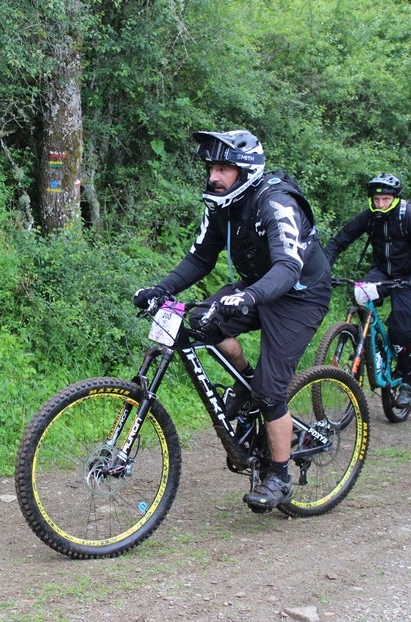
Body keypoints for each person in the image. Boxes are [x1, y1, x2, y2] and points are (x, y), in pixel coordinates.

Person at [132, 130, 332, 512]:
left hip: (299, 296)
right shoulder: (222, 205)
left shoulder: (276, 202)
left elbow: (288, 266)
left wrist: (249, 296)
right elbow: (200, 257)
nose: (214, 176)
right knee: (201, 324)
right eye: (211, 168)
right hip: (256, 286)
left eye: (224, 169)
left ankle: (279, 477)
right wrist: (161, 289)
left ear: (247, 171)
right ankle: (245, 384)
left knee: (270, 392)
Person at [323, 173, 411, 407]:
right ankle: (369, 347)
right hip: (382, 272)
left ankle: (406, 380)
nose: (381, 205)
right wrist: (323, 270)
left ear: (395, 199)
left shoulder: (408, 215)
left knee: (400, 329)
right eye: (376, 200)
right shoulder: (370, 216)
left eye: (386, 199)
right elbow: (339, 241)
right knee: (360, 298)